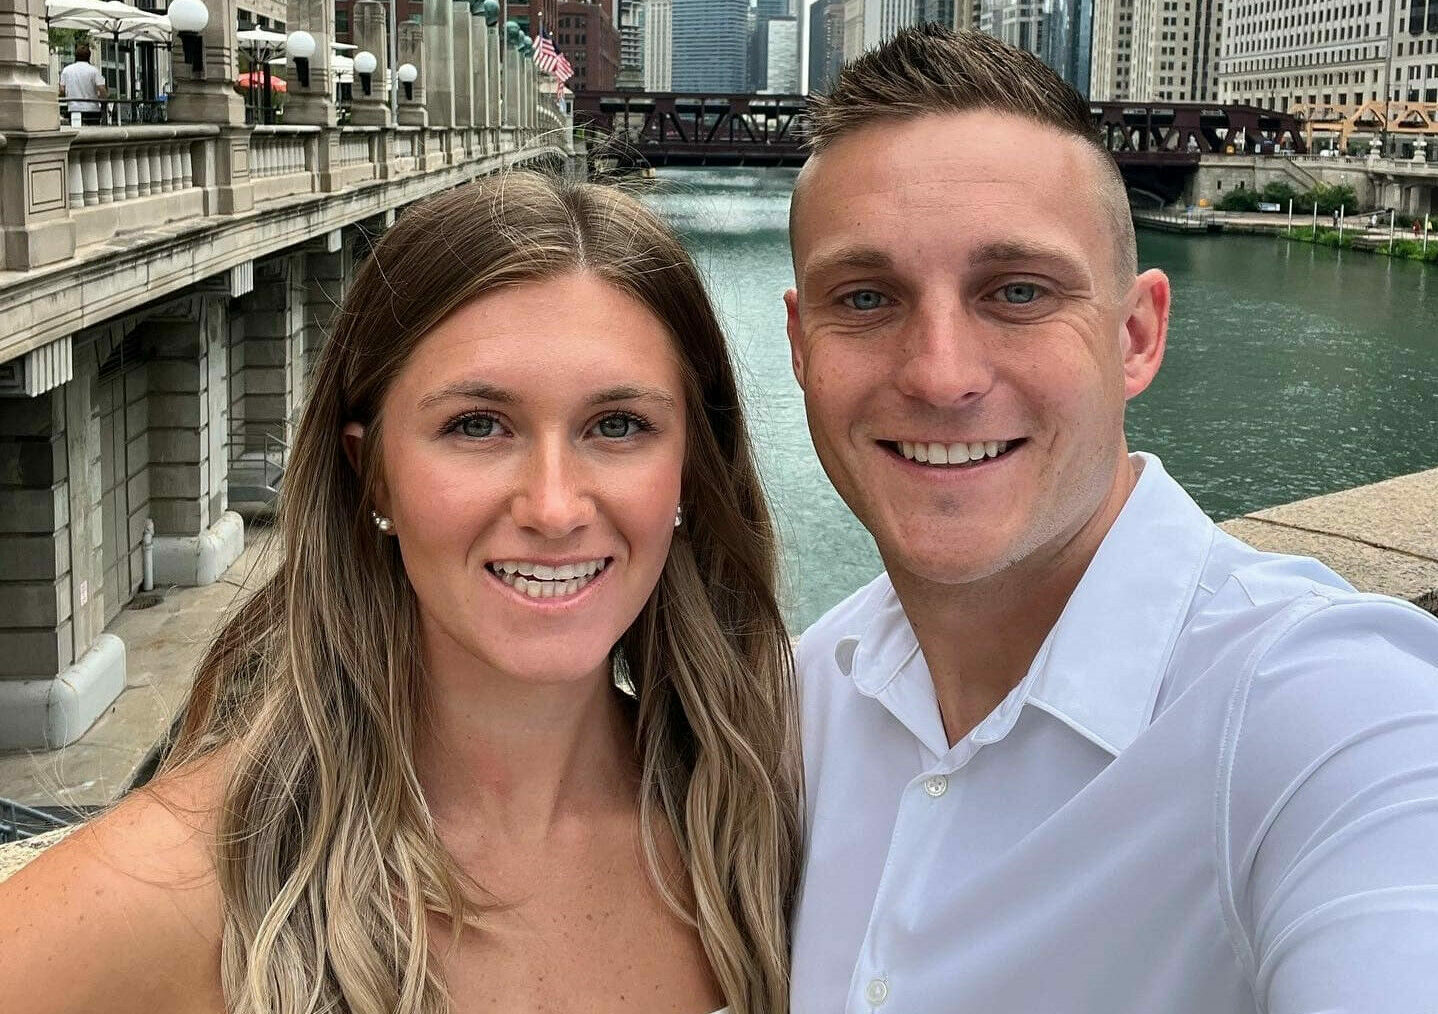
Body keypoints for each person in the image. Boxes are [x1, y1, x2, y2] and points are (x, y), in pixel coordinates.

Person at [0, 173, 802, 1014]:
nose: (556, 507)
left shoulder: (758, 830)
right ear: (369, 471)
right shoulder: (184, 878)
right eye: (477, 426)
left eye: (619, 426)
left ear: (690, 468)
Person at [784, 26, 1438, 1014]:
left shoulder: (1323, 714)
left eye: (1017, 293)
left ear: (1135, 337)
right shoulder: (799, 701)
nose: (940, 374)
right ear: (798, 346)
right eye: (866, 297)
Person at [58, 45, 108, 125]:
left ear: (75, 56)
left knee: (76, 133)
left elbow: (61, 90)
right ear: (89, 57)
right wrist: (104, 102)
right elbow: (102, 89)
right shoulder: (94, 71)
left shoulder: (66, 70)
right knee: (93, 134)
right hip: (92, 109)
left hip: (74, 109)